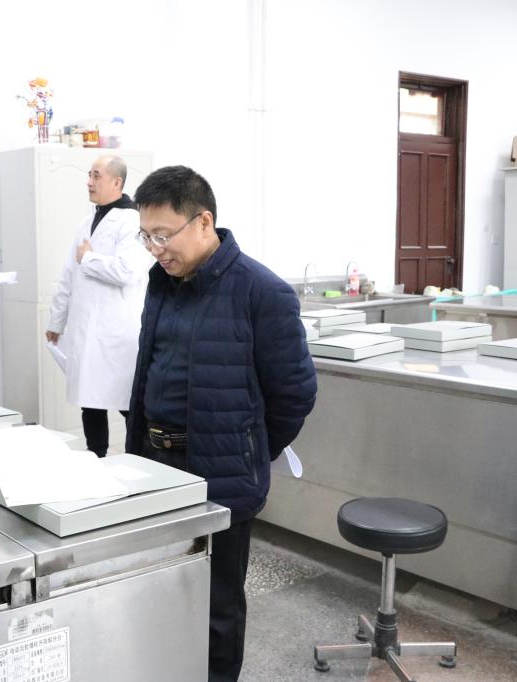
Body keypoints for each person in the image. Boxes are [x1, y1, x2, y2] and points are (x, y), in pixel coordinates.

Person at [125, 165, 317, 681]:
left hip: (219, 472)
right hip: (155, 463)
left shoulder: (262, 292)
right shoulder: (162, 283)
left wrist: (247, 447)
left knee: (217, 606)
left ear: (204, 222)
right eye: (146, 237)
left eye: (163, 235)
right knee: (160, 588)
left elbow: (295, 394)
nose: (155, 249)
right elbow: (149, 370)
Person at [46, 155, 153, 457]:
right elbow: (68, 276)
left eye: (96, 176)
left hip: (116, 332)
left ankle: (142, 459)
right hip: (86, 329)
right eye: (89, 175)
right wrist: (56, 321)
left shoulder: (133, 221)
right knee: (90, 401)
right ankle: (97, 459)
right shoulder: (86, 222)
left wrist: (89, 258)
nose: (89, 182)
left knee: (125, 402)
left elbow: (127, 271)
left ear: (117, 182)